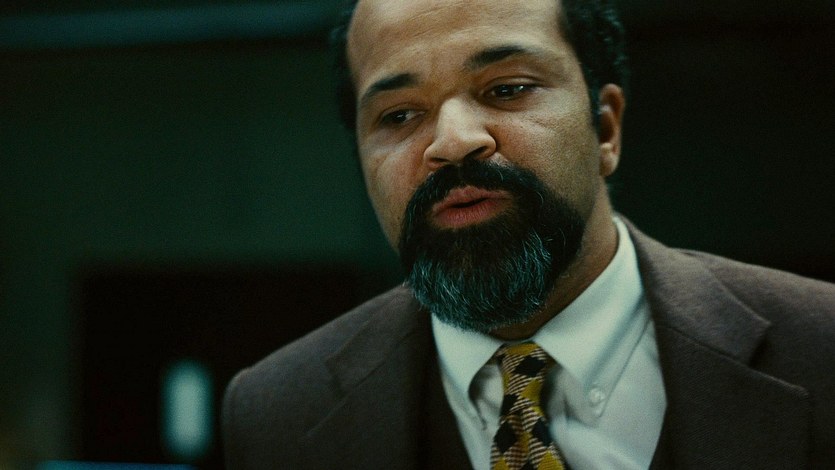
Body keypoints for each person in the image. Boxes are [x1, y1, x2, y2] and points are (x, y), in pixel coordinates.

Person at [221, 0, 835, 468]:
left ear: (605, 128)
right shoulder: (278, 415)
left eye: (507, 89)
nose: (453, 141)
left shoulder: (820, 349)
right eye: (399, 115)